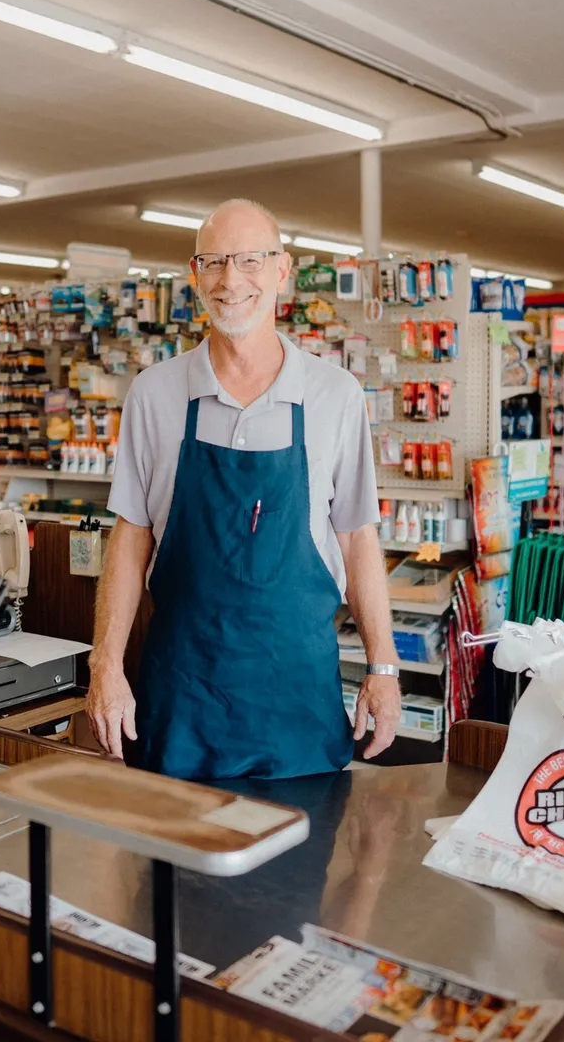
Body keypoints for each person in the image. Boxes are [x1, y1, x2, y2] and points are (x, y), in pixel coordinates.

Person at [87, 199, 401, 779]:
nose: (231, 280)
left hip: (297, 701)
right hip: (182, 696)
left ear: (282, 270)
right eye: (214, 262)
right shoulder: (154, 395)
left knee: (301, 864)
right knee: (169, 862)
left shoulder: (335, 396)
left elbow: (358, 541)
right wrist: (104, 665)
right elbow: (131, 541)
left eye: (251, 260)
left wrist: (383, 670)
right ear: (194, 274)